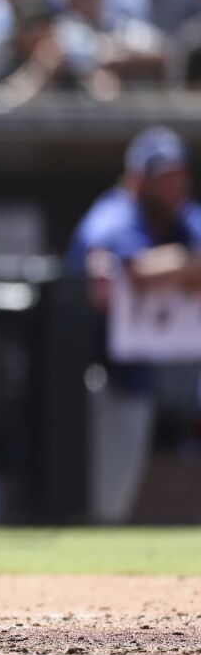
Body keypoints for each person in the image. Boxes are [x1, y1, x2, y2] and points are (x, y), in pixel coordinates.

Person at [65, 126, 201, 523]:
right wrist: (183, 266)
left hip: (146, 368)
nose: (174, 187)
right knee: (98, 498)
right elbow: (136, 270)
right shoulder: (114, 213)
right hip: (92, 373)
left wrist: (171, 266)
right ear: (136, 180)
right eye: (163, 179)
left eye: (178, 177)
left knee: (115, 498)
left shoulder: (183, 217)